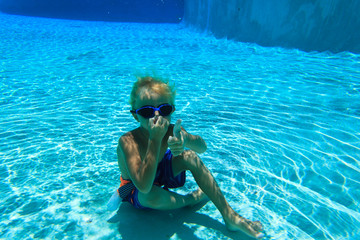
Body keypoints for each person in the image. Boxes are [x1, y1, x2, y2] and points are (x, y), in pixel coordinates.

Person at [108, 76, 264, 239]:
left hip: (159, 171)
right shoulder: (128, 141)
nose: (156, 116)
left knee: (190, 155)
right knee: (150, 195)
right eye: (147, 112)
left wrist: (186, 140)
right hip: (137, 187)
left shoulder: (171, 130)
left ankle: (230, 215)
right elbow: (144, 187)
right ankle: (190, 200)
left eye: (164, 109)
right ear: (135, 115)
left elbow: (203, 148)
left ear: (172, 111)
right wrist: (154, 140)